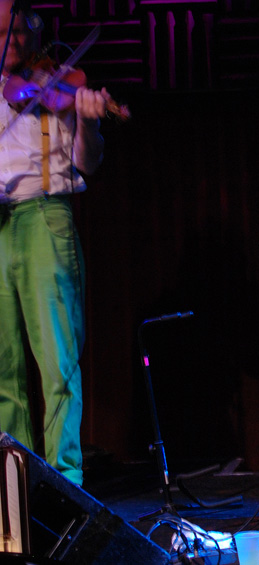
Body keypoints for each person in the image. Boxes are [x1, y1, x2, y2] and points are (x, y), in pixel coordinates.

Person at [0, 1, 111, 487]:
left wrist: (88, 120)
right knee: (4, 371)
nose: (12, 41)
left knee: (57, 366)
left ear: (32, 27)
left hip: (45, 214)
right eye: (2, 32)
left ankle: (64, 487)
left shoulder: (56, 81)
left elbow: (88, 163)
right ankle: (13, 491)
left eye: (18, 30)